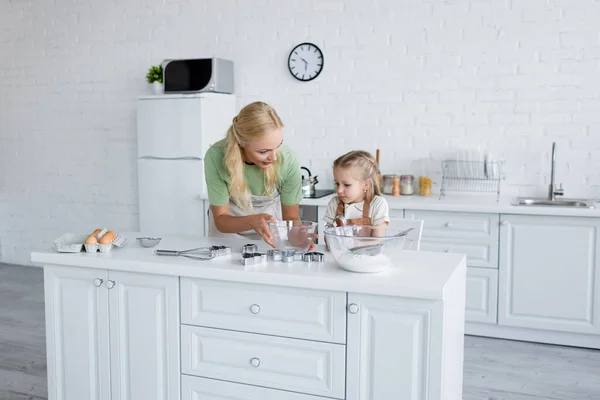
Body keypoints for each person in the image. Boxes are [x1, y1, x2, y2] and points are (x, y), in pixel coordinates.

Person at [204, 101, 306, 247]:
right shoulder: (216, 156)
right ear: (241, 144)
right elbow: (220, 219)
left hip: (269, 235)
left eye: (278, 146)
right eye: (263, 152)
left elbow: (291, 218)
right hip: (226, 236)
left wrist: (299, 237)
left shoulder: (288, 160)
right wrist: (252, 221)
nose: (274, 157)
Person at [323, 150, 390, 229]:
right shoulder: (335, 203)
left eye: (346, 185)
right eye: (337, 184)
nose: (339, 190)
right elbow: (328, 235)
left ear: (366, 184)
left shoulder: (377, 204)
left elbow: (376, 239)